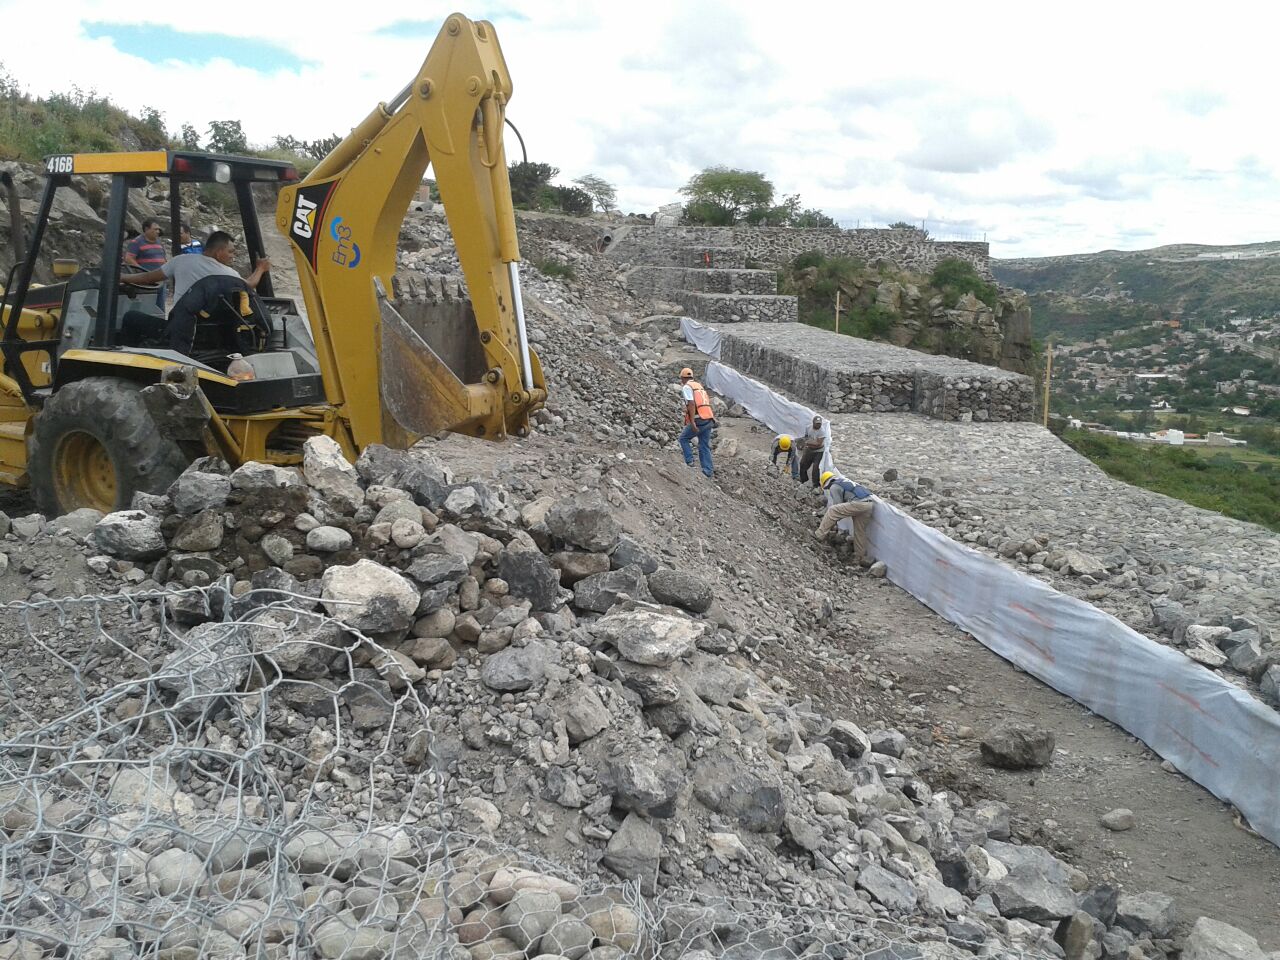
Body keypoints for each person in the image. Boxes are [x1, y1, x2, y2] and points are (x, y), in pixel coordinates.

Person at [120, 231, 270, 350]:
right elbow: (250, 285)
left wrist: (122, 277)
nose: (233, 256)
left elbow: (148, 278)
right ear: (218, 252)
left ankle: (126, 361)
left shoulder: (182, 261)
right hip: (214, 335)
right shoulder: (230, 275)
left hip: (179, 331)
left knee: (131, 317)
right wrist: (261, 268)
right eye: (231, 252)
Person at [814, 471, 875, 561]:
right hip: (869, 504)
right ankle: (859, 557)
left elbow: (836, 507)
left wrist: (832, 524)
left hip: (859, 503)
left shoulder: (834, 487)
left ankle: (819, 535)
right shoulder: (843, 481)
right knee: (859, 531)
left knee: (832, 510)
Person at [677, 366, 715, 479]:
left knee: (683, 439)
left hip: (699, 419)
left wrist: (692, 422)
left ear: (683, 378)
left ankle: (690, 462)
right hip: (708, 417)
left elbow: (692, 403)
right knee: (704, 445)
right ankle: (707, 471)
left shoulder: (687, 387)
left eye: (681, 379)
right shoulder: (699, 386)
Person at [124, 218, 167, 308]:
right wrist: (141, 272)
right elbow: (129, 258)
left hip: (160, 279)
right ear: (147, 229)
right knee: (147, 305)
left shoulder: (159, 242)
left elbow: (163, 258)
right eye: (155, 229)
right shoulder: (137, 242)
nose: (158, 231)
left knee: (160, 305)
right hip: (146, 281)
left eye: (158, 229)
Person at [798, 415, 830, 488]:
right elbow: (806, 437)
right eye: (817, 423)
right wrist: (805, 443)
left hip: (819, 452)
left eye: (819, 423)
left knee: (816, 468)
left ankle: (816, 485)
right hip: (809, 450)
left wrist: (807, 443)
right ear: (813, 422)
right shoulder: (808, 427)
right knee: (802, 464)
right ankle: (804, 480)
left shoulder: (822, 431)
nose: (818, 425)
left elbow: (818, 444)